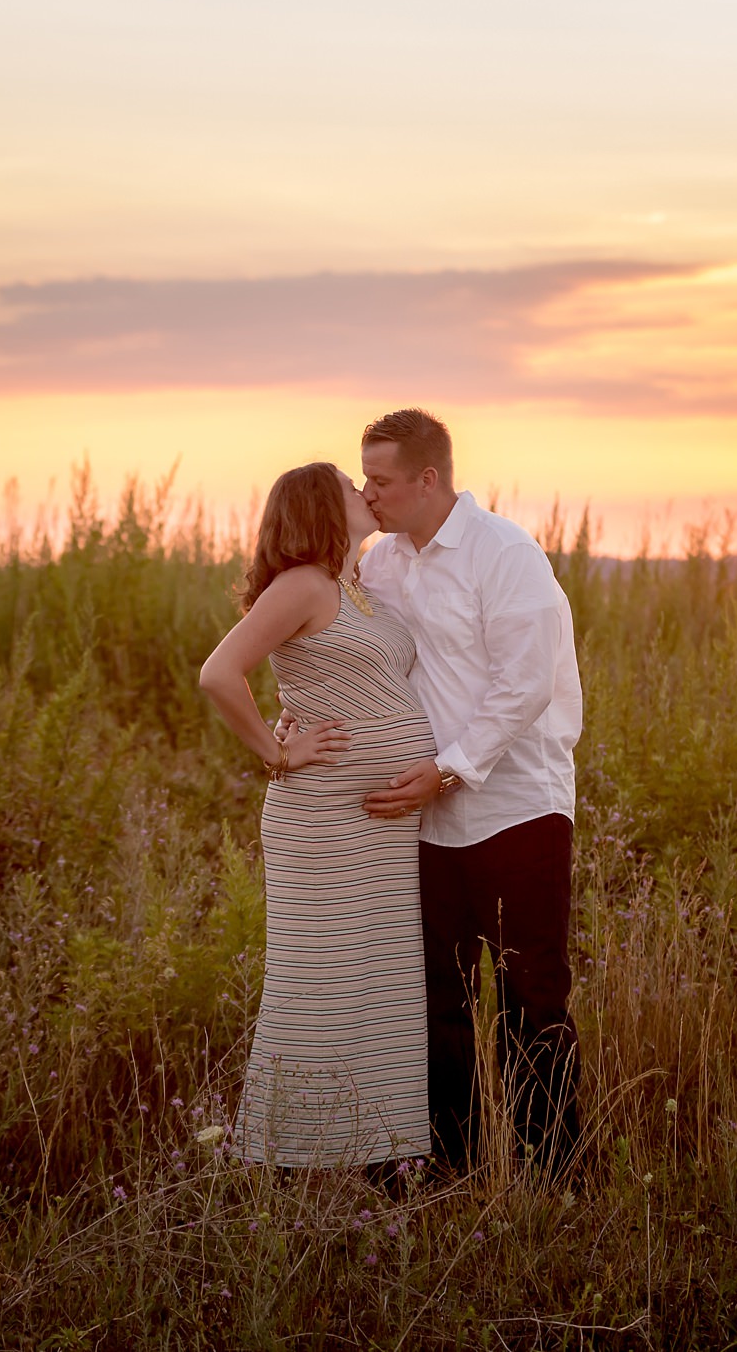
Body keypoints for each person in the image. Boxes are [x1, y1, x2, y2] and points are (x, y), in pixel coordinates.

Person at [354, 408, 584, 1176]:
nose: (369, 494)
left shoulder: (505, 553)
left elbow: (524, 685)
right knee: (436, 1006)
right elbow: (355, 652)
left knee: (531, 999)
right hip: (425, 820)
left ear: (428, 478)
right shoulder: (381, 562)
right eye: (363, 479)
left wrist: (449, 767)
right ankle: (454, 1171)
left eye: (381, 480)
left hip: (519, 807)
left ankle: (554, 1178)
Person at [198, 461, 434, 1168]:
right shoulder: (303, 583)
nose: (364, 493)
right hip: (325, 820)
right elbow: (218, 672)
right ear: (318, 509)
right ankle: (288, 1151)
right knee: (320, 980)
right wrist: (278, 751)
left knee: (383, 976)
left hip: (379, 825)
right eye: (347, 486)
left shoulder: (350, 587)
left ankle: (378, 1148)